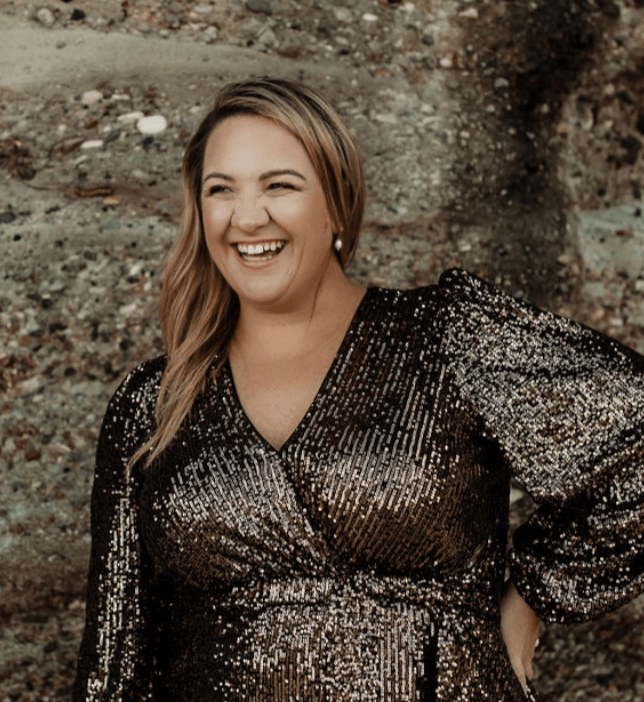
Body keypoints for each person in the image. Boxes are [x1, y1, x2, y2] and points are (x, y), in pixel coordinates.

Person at [73, 77, 644, 702]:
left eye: (279, 185)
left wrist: (533, 595)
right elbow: (113, 666)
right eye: (221, 190)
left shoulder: (447, 338)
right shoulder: (151, 404)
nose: (247, 217)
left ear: (337, 204)